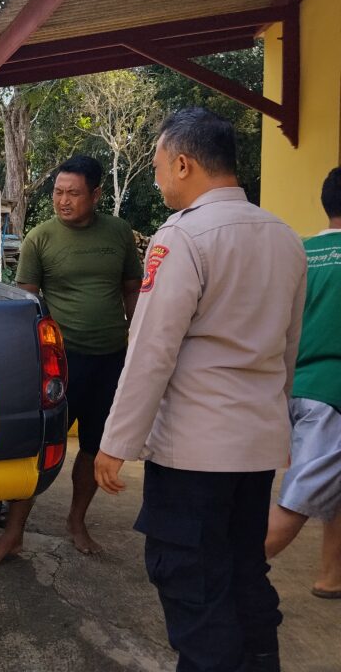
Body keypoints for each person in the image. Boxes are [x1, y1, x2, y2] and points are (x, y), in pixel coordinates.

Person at [94, 107, 307, 672]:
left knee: (193, 581)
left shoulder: (182, 236)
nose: (158, 179)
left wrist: (116, 443)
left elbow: (150, 350)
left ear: (184, 164)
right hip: (256, 448)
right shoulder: (285, 236)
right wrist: (276, 425)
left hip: (194, 454)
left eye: (159, 166)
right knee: (245, 573)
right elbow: (288, 348)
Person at [0, 154, 142, 565]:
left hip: (111, 358)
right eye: (58, 192)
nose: (63, 201)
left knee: (94, 446)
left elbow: (132, 289)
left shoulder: (119, 233)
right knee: (40, 445)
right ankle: (13, 532)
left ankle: (77, 521)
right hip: (60, 362)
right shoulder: (40, 238)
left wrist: (139, 342)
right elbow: (26, 302)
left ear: (96, 194)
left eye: (73, 193)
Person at [264, 167, 341, 599]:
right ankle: (226, 581)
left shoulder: (299, 251)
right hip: (332, 394)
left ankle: (333, 576)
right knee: (298, 500)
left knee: (332, 485)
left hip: (289, 386)